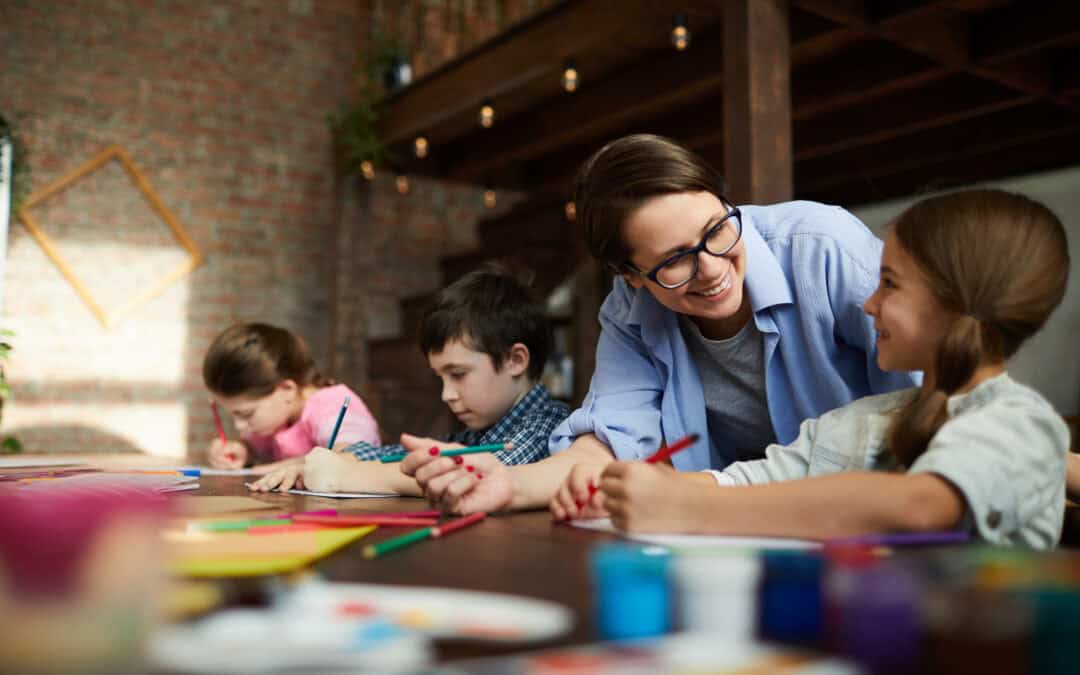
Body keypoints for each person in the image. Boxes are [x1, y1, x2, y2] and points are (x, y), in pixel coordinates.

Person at [403, 133, 917, 516]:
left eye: (717, 229)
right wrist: (509, 485)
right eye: (676, 259)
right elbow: (608, 442)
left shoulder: (824, 251)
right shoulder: (630, 313)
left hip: (871, 511)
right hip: (734, 522)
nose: (713, 267)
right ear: (629, 276)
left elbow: (930, 401)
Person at [596, 189, 1070, 549]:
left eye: (889, 283)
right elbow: (755, 479)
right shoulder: (865, 420)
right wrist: (640, 490)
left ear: (954, 300)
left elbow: (920, 506)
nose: (867, 302)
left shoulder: (1019, 423)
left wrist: (690, 506)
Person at [249, 265, 571, 496]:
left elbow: (479, 476)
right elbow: (399, 457)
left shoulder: (549, 427)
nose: (446, 394)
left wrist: (352, 475)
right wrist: (334, 460)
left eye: (458, 374)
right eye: (441, 378)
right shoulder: (481, 431)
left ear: (516, 360)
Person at [202, 322, 380, 473]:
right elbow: (256, 448)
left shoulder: (331, 405)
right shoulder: (277, 418)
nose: (239, 425)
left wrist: (270, 469)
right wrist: (241, 451)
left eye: (247, 414)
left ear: (286, 390)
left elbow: (354, 455)